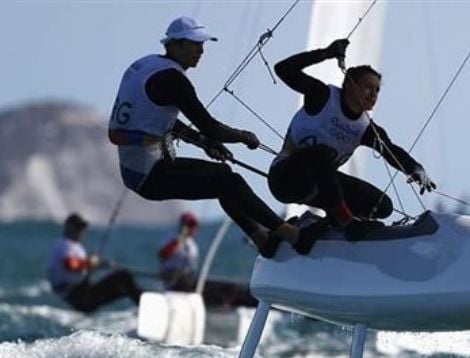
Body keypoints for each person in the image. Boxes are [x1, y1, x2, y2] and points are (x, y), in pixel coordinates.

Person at [107, 16, 300, 257]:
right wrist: (243, 136)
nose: (201, 51)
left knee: (223, 176)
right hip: (150, 175)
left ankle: (263, 239)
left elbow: (156, 119)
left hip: (145, 169)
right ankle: (290, 234)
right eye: (195, 44)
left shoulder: (146, 65)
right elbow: (211, 127)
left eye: (202, 44)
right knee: (230, 183)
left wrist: (204, 142)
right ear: (176, 45)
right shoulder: (173, 80)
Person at [268, 39, 436, 249]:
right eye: (368, 87)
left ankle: (312, 225)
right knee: (322, 154)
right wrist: (325, 53)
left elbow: (391, 151)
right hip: (285, 179)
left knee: (382, 206)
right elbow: (283, 69)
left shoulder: (366, 129)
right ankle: (346, 222)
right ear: (349, 84)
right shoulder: (322, 96)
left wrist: (415, 169)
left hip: (320, 189)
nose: (373, 95)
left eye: (377, 90)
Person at [157, 212, 257, 308]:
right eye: (189, 225)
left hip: (187, 277)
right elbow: (163, 255)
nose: (192, 229)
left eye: (193, 226)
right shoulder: (172, 239)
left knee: (228, 287)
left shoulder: (191, 244)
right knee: (212, 288)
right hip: (174, 278)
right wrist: (179, 239)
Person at [46, 213, 142, 314]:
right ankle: (146, 308)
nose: (81, 231)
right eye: (78, 228)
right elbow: (71, 265)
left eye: (82, 228)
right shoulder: (63, 245)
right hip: (78, 298)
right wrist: (90, 263)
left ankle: (144, 305)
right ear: (68, 228)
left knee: (125, 288)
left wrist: (97, 264)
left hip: (82, 294)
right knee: (124, 276)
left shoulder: (74, 246)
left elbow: (79, 268)